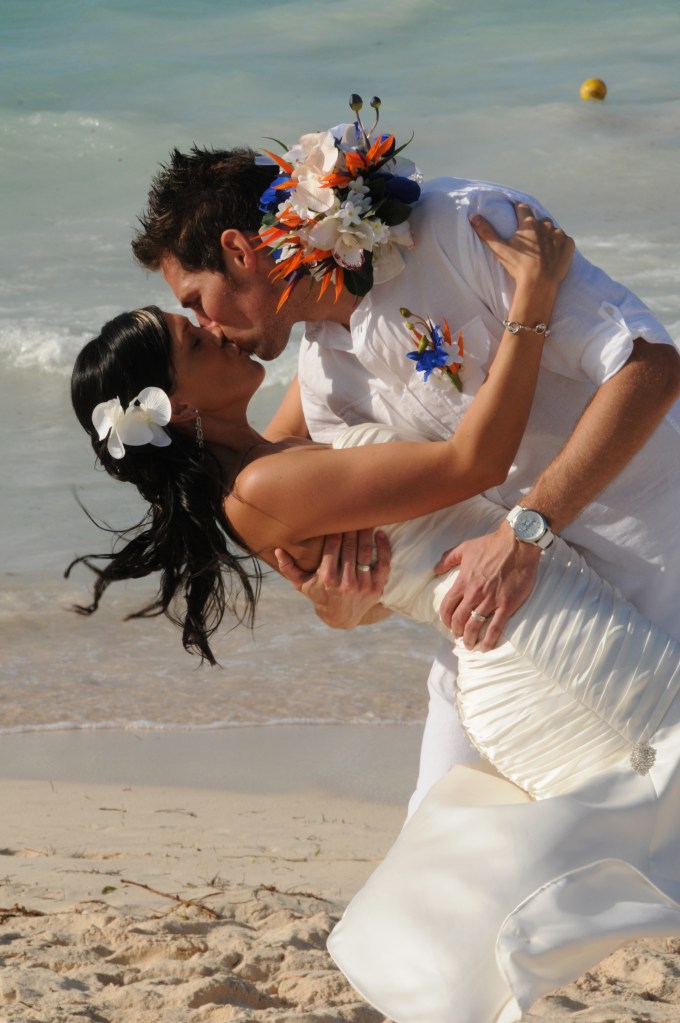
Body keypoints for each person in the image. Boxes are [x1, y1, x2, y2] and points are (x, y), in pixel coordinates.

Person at [70, 213, 680, 1023]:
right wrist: (533, 299)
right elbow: (474, 462)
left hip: (532, 627)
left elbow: (324, 342)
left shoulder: (265, 456)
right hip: (537, 652)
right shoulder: (259, 491)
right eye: (194, 338)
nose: (215, 329)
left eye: (198, 309)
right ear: (176, 408)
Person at [130, 106, 680, 818]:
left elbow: (651, 369)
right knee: (440, 834)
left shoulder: (462, 227)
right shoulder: (326, 387)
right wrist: (342, 598)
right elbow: (381, 573)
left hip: (652, 553)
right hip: (499, 621)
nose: (208, 325)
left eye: (195, 301)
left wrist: (527, 531)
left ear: (239, 250)